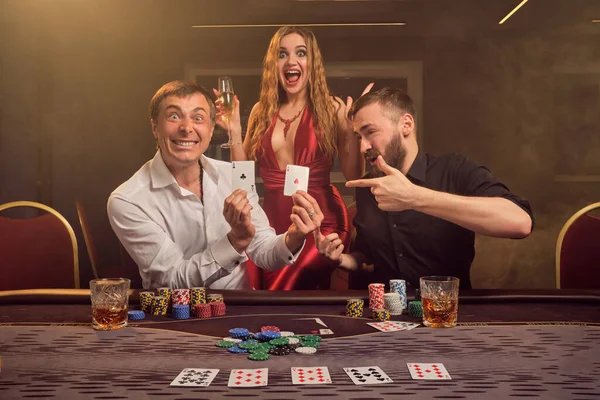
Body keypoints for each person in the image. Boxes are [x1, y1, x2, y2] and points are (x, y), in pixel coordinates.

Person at [107, 81, 324, 290]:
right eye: (174, 116)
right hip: (174, 317)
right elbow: (172, 280)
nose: (186, 128)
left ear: (211, 130)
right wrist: (235, 241)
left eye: (198, 118)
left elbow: (263, 250)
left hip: (238, 309)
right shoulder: (127, 200)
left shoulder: (234, 175)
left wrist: (293, 237)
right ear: (155, 127)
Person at [315, 87, 534, 289]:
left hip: (449, 315)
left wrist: (413, 197)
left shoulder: (454, 169)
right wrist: (342, 259)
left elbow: (520, 222)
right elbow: (368, 256)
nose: (364, 147)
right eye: (358, 137)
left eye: (370, 132)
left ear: (406, 125)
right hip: (386, 319)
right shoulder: (369, 186)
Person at [224, 26, 370, 290]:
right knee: (257, 289)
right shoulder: (261, 111)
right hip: (270, 222)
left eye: (300, 53)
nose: (291, 61)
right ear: (273, 64)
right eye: (283, 54)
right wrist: (234, 129)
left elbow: (354, 177)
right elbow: (242, 176)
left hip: (320, 220)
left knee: (289, 285)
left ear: (311, 63)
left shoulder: (332, 108)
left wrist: (351, 134)